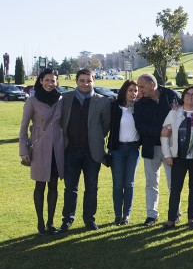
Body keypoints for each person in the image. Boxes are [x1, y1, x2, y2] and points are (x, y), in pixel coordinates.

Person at [56, 69, 111, 234]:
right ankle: (67, 221)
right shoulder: (65, 99)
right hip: (70, 151)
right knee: (70, 188)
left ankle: (89, 219)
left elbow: (105, 126)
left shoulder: (103, 101)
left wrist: (96, 140)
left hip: (92, 153)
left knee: (91, 188)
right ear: (76, 81)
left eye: (89, 80)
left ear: (94, 81)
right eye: (82, 80)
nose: (85, 84)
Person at [160, 86, 193, 229]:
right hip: (178, 158)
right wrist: (167, 155)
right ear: (183, 97)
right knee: (175, 188)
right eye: (188, 94)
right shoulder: (174, 113)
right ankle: (171, 220)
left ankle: (192, 219)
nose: (190, 97)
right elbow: (164, 135)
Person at [19, 68, 64, 235]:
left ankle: (51, 223)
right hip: (39, 149)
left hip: (57, 149)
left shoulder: (61, 99)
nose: (50, 83)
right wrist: (23, 149)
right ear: (41, 81)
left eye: (53, 81)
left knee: (53, 185)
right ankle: (40, 223)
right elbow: (23, 127)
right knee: (40, 185)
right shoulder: (32, 100)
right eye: (47, 80)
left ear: (57, 82)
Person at [134, 73, 179, 226]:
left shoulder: (171, 95)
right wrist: (160, 132)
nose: (139, 91)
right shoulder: (139, 104)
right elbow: (140, 127)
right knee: (151, 183)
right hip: (150, 148)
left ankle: (175, 214)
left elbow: (181, 115)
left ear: (152, 84)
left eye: (141, 87)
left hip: (171, 148)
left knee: (173, 183)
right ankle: (151, 215)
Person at [106, 80, 140, 226]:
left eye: (136, 90)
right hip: (117, 150)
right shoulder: (114, 106)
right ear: (124, 91)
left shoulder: (139, 108)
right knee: (118, 184)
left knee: (129, 184)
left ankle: (126, 215)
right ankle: (117, 216)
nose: (133, 93)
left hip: (133, 150)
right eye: (131, 90)